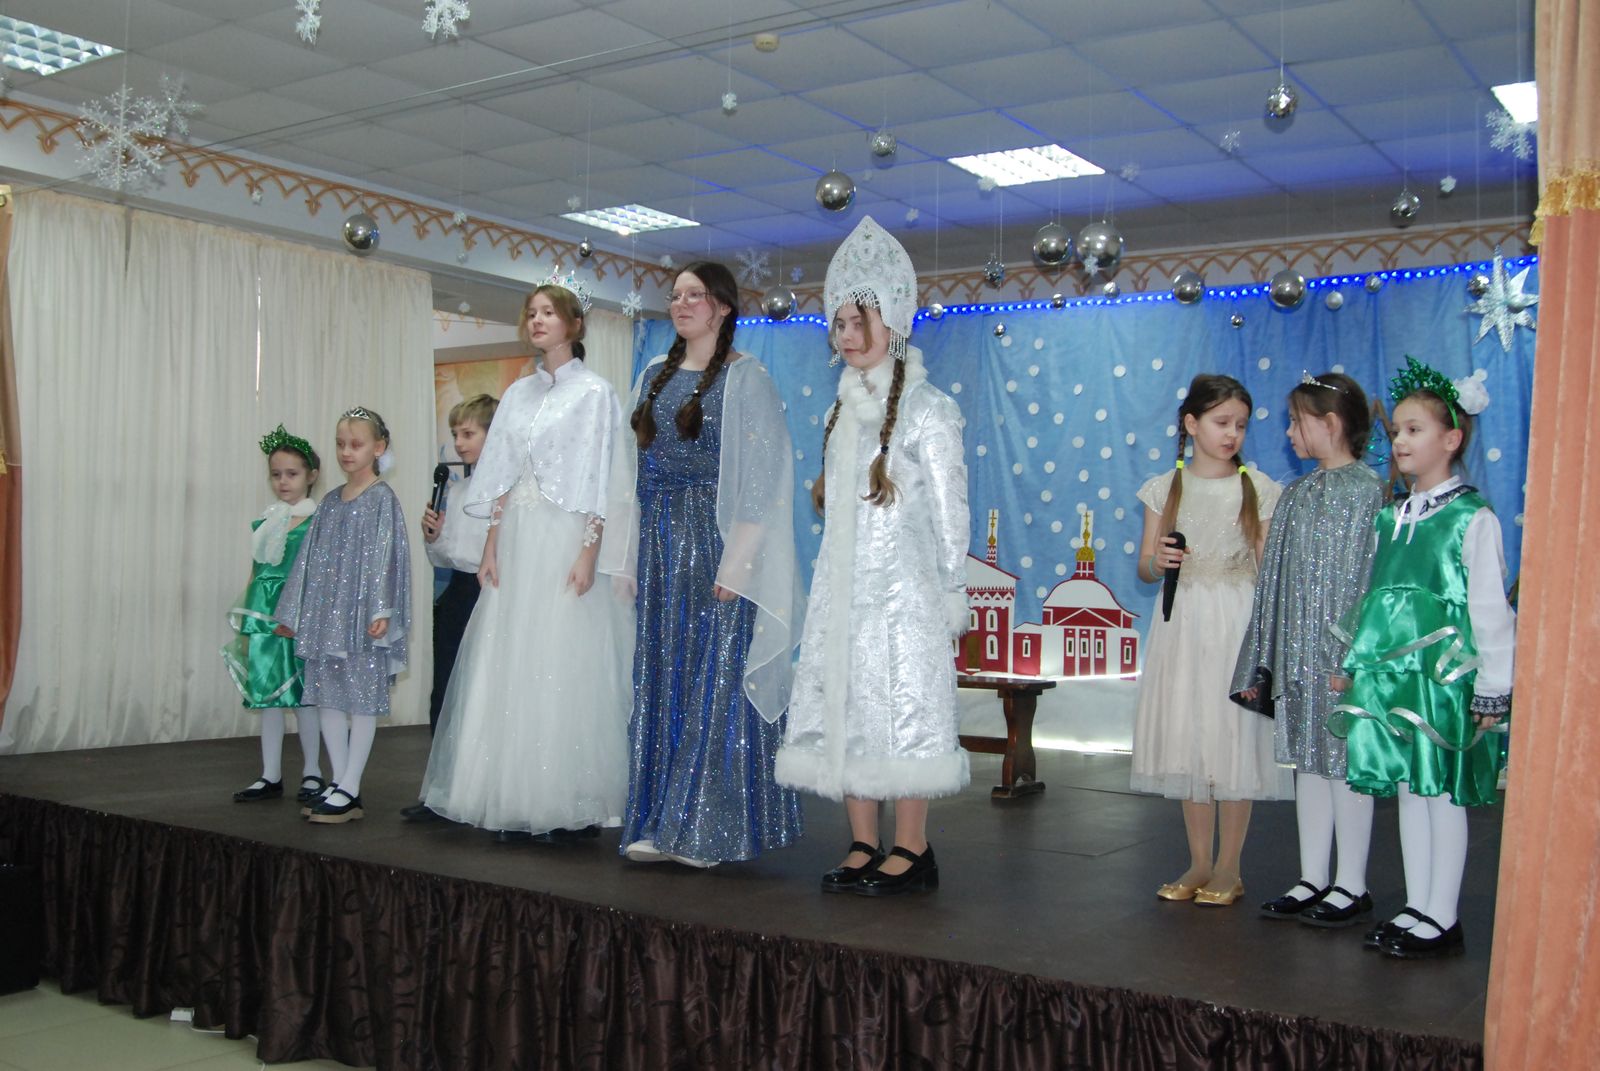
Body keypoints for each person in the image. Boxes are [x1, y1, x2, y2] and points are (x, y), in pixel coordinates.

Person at [777, 216, 971, 896]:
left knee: (906, 707)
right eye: (840, 323)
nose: (848, 334)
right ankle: (862, 840)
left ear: (893, 322)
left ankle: (913, 846)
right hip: (846, 590)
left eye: (861, 321)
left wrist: (951, 586)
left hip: (906, 590)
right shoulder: (840, 411)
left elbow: (950, 508)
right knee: (849, 704)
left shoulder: (929, 408)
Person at [419, 281, 635, 841]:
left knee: (562, 658)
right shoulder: (517, 394)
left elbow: (603, 478)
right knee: (511, 656)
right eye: (531, 312)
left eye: (548, 312)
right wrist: (491, 545)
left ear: (573, 324)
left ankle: (568, 798)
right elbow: (502, 475)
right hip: (517, 535)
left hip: (564, 537)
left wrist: (589, 550)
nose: (537, 320)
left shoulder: (594, 394)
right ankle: (511, 793)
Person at [621, 260, 804, 868]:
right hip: (660, 544)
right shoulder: (653, 373)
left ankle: (708, 828)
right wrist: (629, 555)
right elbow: (632, 473)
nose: (681, 304)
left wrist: (738, 563)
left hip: (716, 542)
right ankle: (660, 819)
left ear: (723, 306)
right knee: (664, 681)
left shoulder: (745, 377)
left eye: (695, 295)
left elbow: (764, 481)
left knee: (714, 683)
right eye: (675, 295)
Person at [1329, 357, 1513, 958]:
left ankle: (1443, 913)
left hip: (1444, 681)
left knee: (1440, 794)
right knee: (1409, 788)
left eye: (1414, 430)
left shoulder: (1470, 517)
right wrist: (1356, 666)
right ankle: (1417, 904)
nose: (1400, 441)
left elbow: (1489, 609)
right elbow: (1377, 602)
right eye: (1396, 431)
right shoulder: (1391, 518)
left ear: (1451, 439)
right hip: (1396, 680)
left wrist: (1494, 686)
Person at [1231, 373, 1388, 926]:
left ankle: (1352, 883)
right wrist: (1268, 655)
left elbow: (1374, 580)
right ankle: (1313, 876)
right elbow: (1273, 582)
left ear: (1331, 424)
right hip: (1300, 655)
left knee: (1344, 765)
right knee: (1308, 766)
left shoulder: (1370, 492)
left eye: (1297, 421)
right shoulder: (1296, 496)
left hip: (1343, 661)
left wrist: (1355, 655)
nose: (1289, 432)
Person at [1132, 374, 1290, 906]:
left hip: (1235, 620)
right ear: (1191, 424)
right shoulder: (1163, 488)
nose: (1232, 434)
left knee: (1232, 739)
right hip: (1182, 621)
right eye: (1222, 422)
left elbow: (1268, 571)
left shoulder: (1258, 487)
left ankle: (1229, 866)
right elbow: (1145, 566)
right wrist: (1159, 561)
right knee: (1191, 736)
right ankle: (1199, 861)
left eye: (1240, 425)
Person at [274, 406, 412, 824]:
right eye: (340, 444)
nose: (346, 452)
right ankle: (339, 782)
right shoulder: (331, 501)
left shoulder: (382, 499)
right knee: (328, 696)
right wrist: (293, 610)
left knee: (362, 698)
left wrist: (382, 608)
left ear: (378, 448)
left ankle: (351, 786)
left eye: (356, 444)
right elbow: (308, 560)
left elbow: (388, 558)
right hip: (327, 617)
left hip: (362, 618)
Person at [399, 393, 497, 822]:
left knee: (483, 692)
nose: (459, 443)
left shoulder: (507, 492)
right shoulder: (455, 491)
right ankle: (441, 790)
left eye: (469, 433)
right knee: (445, 691)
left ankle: (485, 788)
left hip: (491, 593)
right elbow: (443, 557)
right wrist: (434, 537)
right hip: (458, 591)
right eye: (456, 434)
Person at [224, 425, 325, 805]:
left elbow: (319, 577)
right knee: (267, 696)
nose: (283, 482)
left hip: (297, 618)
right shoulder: (268, 521)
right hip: (265, 617)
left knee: (304, 698)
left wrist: (304, 619)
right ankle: (270, 774)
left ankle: (313, 772)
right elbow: (257, 570)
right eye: (276, 474)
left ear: (311, 476)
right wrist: (248, 618)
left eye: (292, 474)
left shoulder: (317, 523)